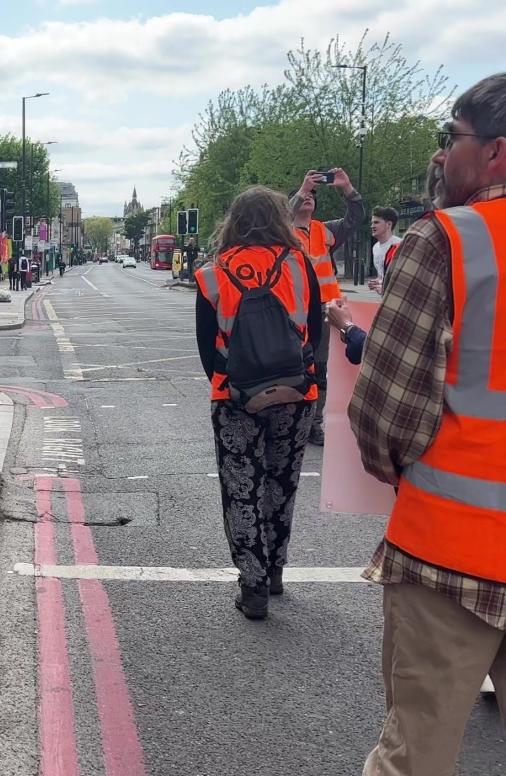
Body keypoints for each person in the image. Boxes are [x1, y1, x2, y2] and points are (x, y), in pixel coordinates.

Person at [351, 73, 506, 775]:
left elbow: (386, 406)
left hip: (455, 553)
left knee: (416, 757)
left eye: (452, 138)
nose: (443, 155)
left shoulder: (451, 239)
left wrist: (398, 463)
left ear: (497, 152)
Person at [195, 186, 323, 620]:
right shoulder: (300, 264)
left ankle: (252, 586)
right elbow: (316, 331)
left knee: (241, 486)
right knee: (281, 484)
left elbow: (205, 349)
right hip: (296, 393)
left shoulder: (214, 272)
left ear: (232, 221)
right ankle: (275, 572)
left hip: (235, 397)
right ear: (280, 220)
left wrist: (231, 382)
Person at [290, 168, 365, 446]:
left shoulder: (325, 230)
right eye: (304, 196)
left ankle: (314, 424)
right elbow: (281, 216)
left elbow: (356, 218)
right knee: (297, 367)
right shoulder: (284, 231)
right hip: (294, 310)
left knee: (319, 369)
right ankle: (296, 419)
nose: (309, 197)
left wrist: (347, 189)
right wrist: (302, 189)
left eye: (312, 196)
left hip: (324, 308)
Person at [368, 206, 403, 294]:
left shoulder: (400, 246)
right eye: (372, 223)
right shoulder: (375, 248)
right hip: (385, 299)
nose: (372, 226)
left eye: (376, 222)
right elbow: (383, 277)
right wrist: (378, 282)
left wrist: (384, 289)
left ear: (389, 224)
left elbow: (403, 280)